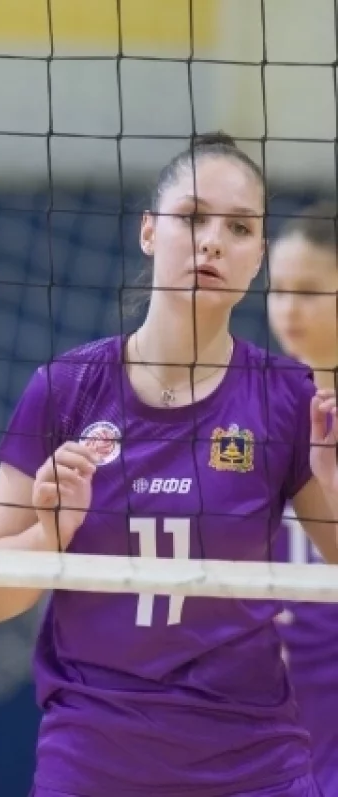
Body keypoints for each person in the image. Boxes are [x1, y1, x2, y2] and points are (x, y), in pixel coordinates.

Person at [0, 132, 338, 796]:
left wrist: (332, 481)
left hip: (251, 758)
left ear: (258, 257)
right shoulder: (65, 388)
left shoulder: (287, 397)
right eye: (192, 217)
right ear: (148, 231)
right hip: (94, 752)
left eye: (239, 227)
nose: (213, 242)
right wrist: (51, 533)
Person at [267, 201, 338, 795]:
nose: (289, 308)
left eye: (309, 291)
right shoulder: (249, 407)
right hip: (269, 701)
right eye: (279, 289)